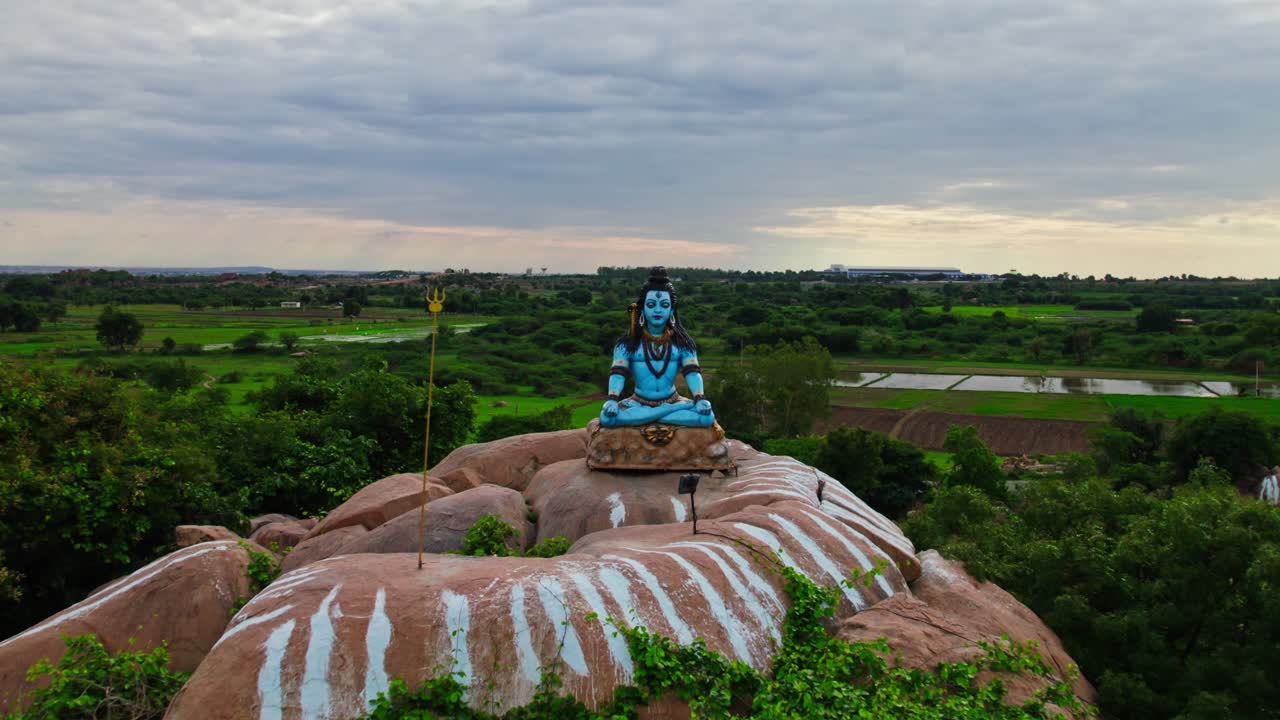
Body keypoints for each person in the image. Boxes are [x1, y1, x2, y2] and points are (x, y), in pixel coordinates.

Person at [600, 268, 715, 428]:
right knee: (607, 419)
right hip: (638, 402)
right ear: (642, 308)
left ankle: (650, 416)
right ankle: (667, 413)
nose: (658, 310)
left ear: (672, 309)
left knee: (707, 418)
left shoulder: (683, 343)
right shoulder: (627, 344)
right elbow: (618, 374)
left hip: (672, 399)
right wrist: (612, 400)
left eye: (665, 304)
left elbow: (693, 373)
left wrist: (700, 399)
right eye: (652, 304)